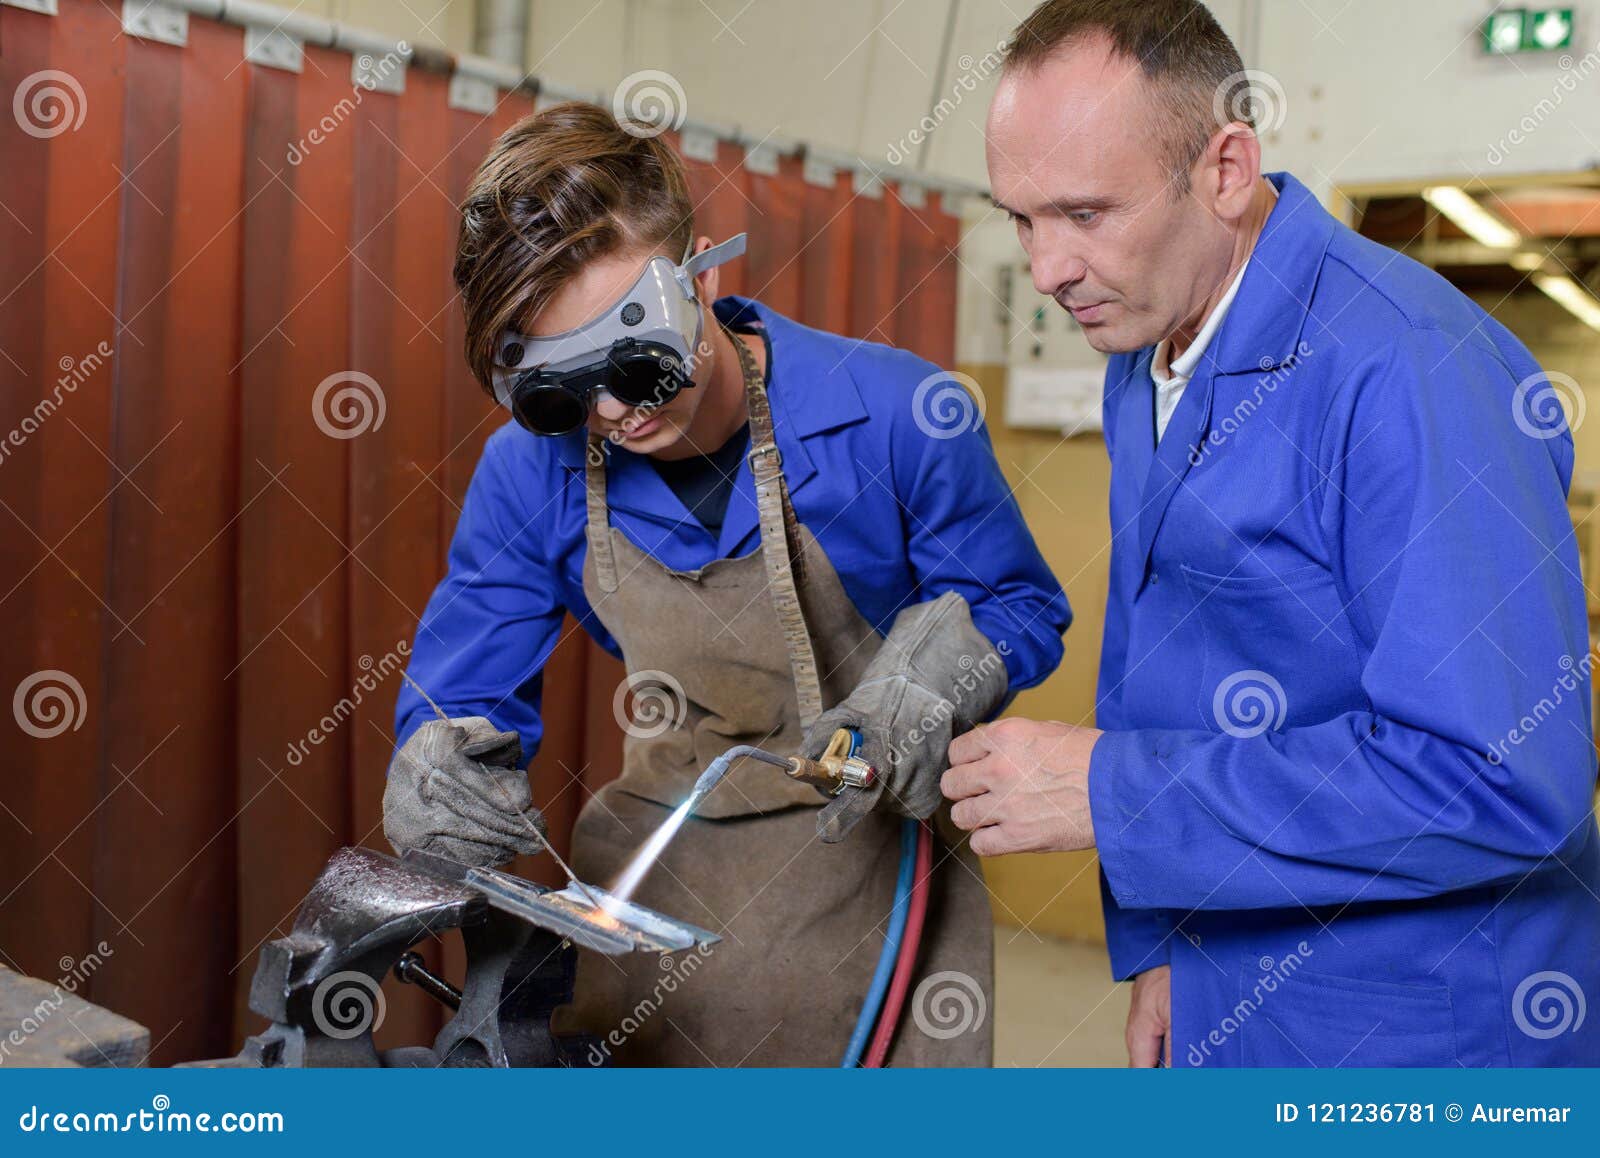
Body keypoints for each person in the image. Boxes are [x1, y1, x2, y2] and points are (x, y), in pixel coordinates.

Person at [945, 0, 1600, 1067]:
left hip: (1425, 1029)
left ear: (1226, 167)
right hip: (1235, 972)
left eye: (1084, 213)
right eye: (1020, 218)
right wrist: (1166, 943)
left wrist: (1112, 795)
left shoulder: (1410, 369)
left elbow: (1505, 778)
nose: (1046, 267)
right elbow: (1157, 668)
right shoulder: (1148, 346)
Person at [381, 102, 1071, 1066]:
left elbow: (1020, 603)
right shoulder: (527, 471)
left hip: (880, 863)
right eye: (566, 389)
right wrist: (439, 759)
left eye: (635, 359)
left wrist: (939, 676)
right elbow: (465, 682)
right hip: (658, 879)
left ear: (703, 266)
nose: (614, 412)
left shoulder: (900, 412)